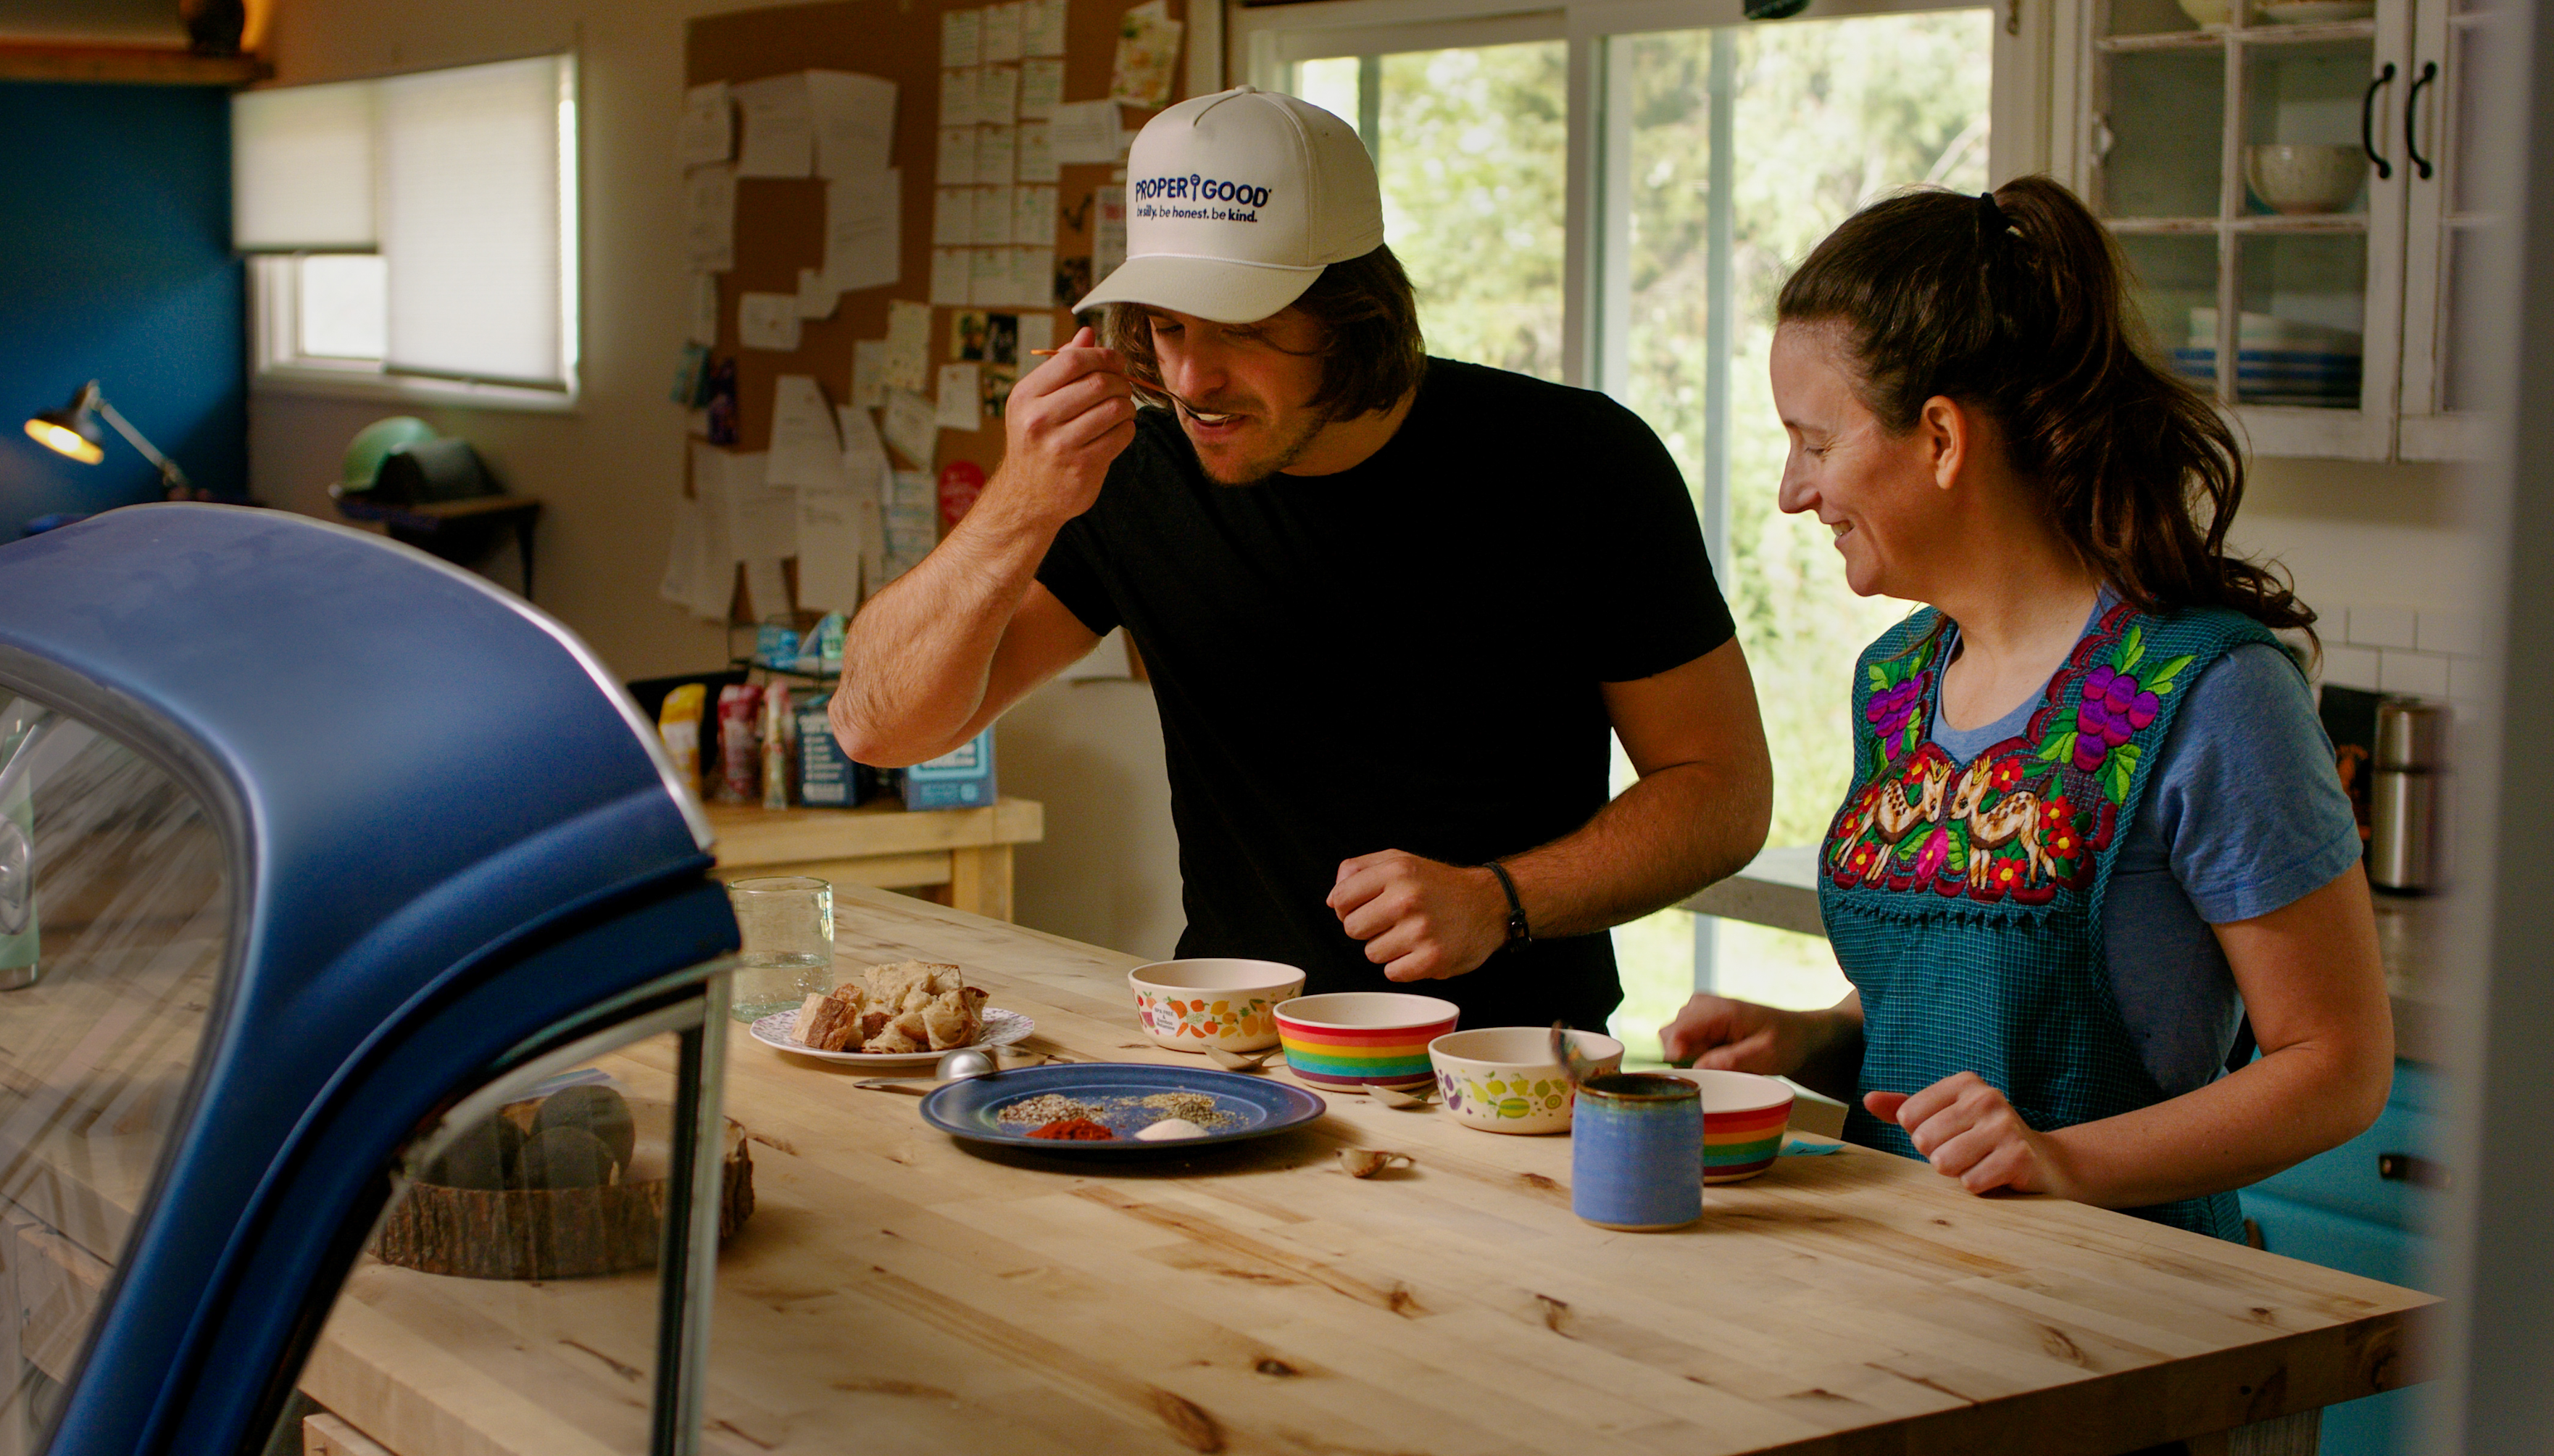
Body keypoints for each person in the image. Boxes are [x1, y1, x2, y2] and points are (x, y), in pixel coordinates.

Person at [830, 87, 1772, 1028]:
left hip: (1510, 1068)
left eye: (1241, 327)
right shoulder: (1131, 476)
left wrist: (1502, 900)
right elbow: (881, 729)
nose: (1194, 379)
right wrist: (1018, 503)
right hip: (1233, 1047)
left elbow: (1723, 792)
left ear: (1352, 310)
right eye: (1167, 325)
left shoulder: (1578, 464)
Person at [1661, 176, 2392, 1240]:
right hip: (1903, 1282)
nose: (1792, 489)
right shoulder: (1898, 681)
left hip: (2124, 1319)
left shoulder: (2210, 691)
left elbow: (2339, 1066)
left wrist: (2063, 1161)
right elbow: (1963, 992)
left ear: (1944, 439)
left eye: (1816, 443)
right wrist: (1812, 1041)